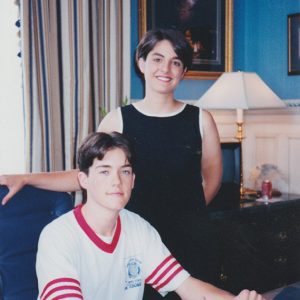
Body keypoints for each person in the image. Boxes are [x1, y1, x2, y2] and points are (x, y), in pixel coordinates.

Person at [0, 29, 222, 299]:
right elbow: (89, 175)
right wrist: (28, 178)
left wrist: (186, 214)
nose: (166, 68)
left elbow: (211, 181)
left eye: (176, 62)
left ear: (184, 70)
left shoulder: (201, 119)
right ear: (141, 63)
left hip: (190, 239)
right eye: (157, 59)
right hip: (135, 243)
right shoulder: (119, 119)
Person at [36, 131, 263, 300]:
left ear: (133, 180)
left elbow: (188, 286)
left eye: (124, 171)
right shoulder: (58, 236)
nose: (117, 181)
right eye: (104, 171)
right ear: (84, 180)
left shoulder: (138, 228)